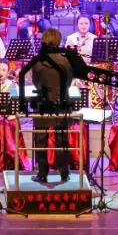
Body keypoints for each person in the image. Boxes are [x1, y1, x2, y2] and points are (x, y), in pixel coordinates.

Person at [29, 28, 73, 183]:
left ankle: (42, 173)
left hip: (43, 103)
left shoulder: (38, 61)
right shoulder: (66, 60)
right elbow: (68, 83)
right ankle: (64, 172)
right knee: (62, 138)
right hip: (62, 103)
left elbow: (36, 83)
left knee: (41, 139)